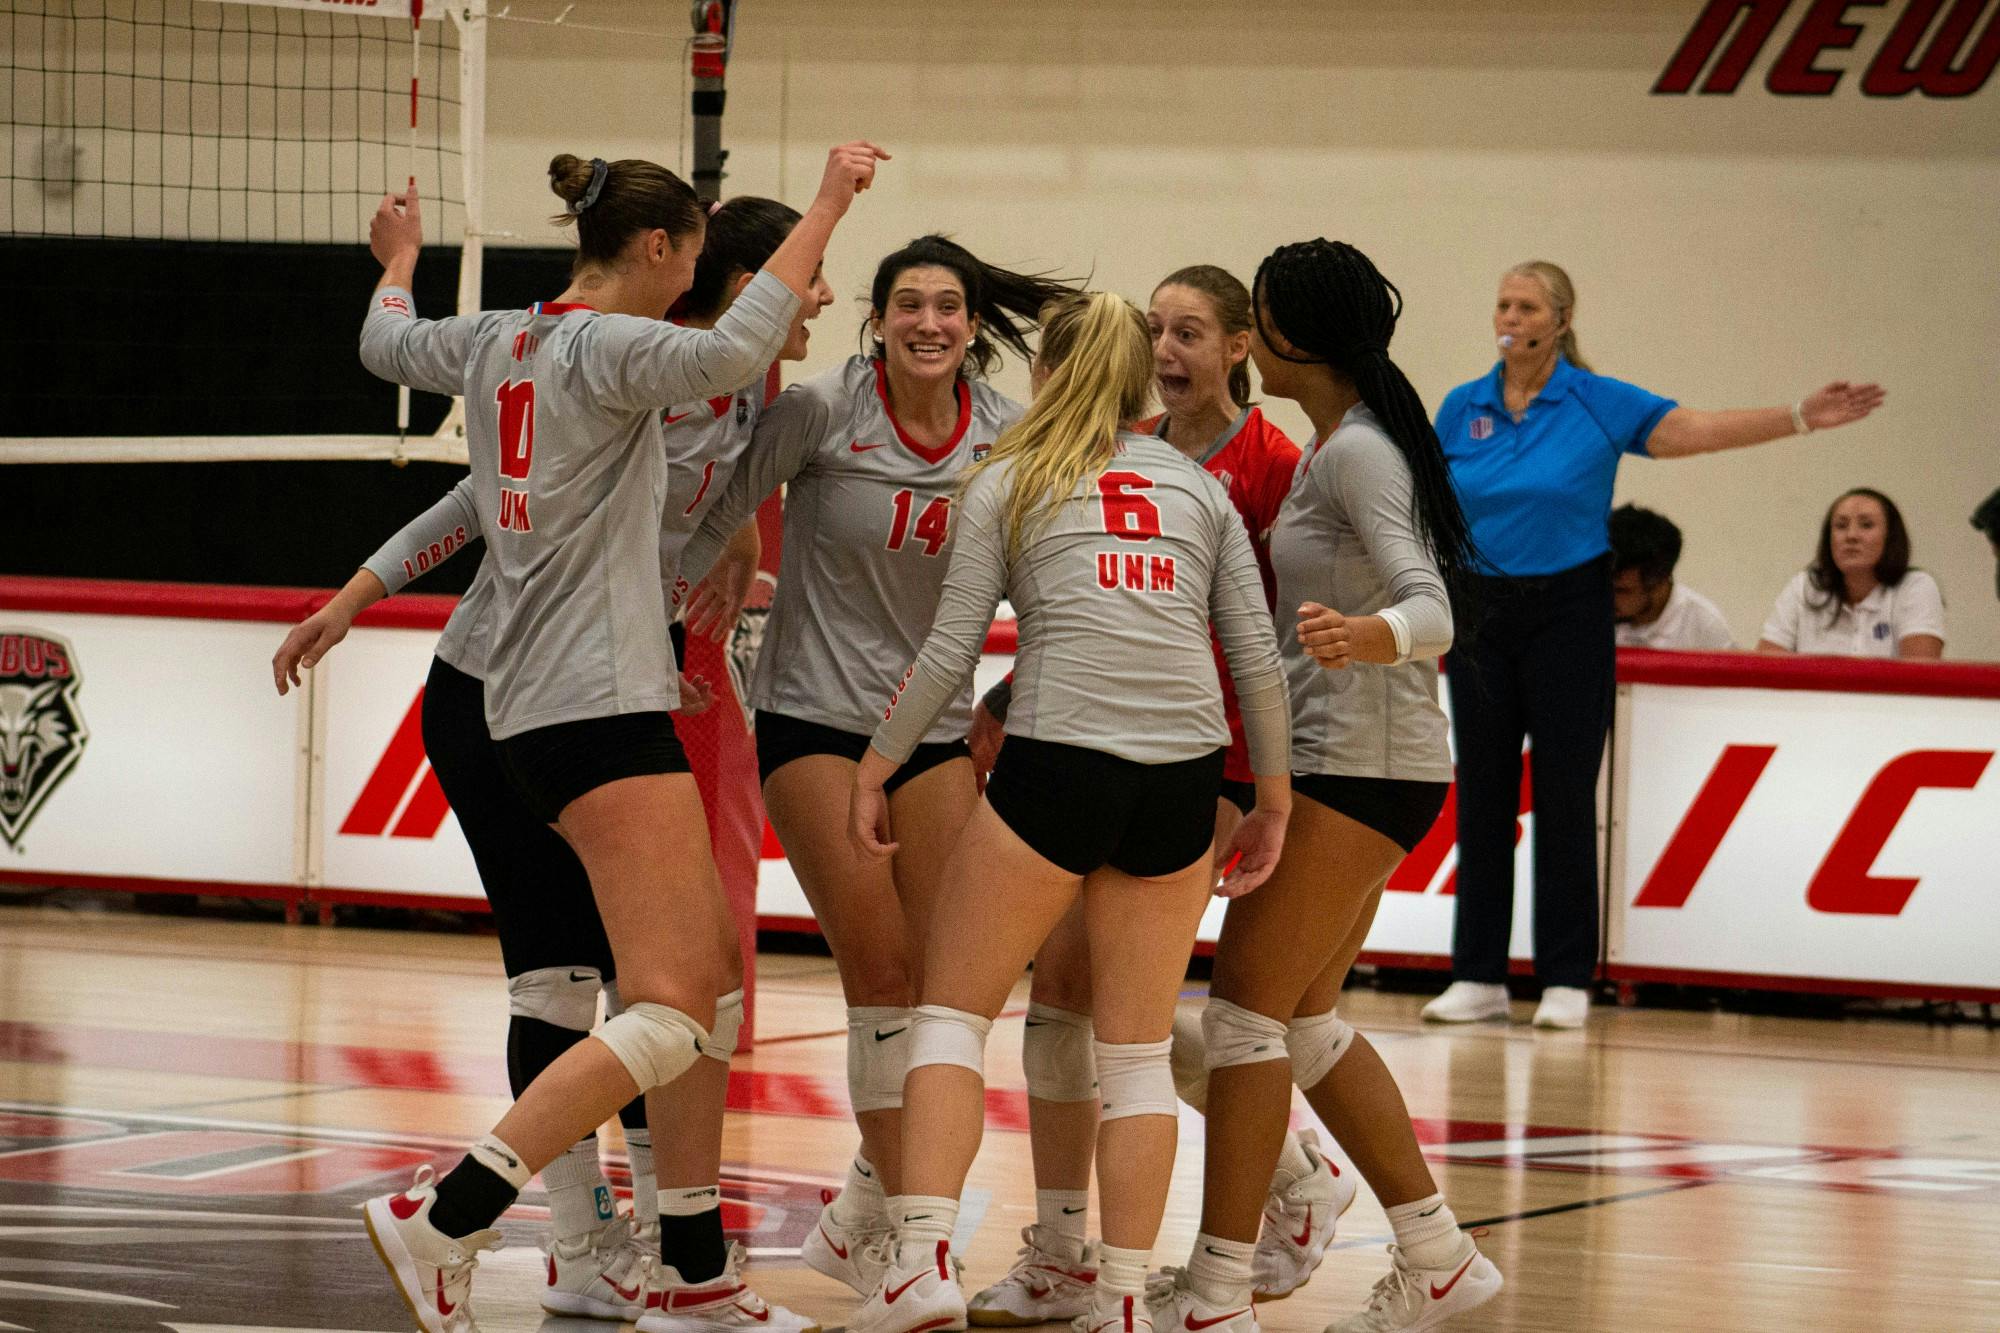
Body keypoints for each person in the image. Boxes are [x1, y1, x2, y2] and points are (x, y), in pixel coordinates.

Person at [337, 142, 883, 1333]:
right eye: (693, 250)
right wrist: (831, 201)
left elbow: (386, 343)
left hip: (554, 693)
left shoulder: (500, 338)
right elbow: (730, 347)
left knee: (678, 989)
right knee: (665, 1000)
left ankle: (651, 1257)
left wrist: (400, 266)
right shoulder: (619, 350)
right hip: (586, 694)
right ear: (664, 251)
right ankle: (454, 1216)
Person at [841, 289, 1291, 1333]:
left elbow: (952, 652)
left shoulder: (1007, 476)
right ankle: (1124, 1302)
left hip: (1059, 759)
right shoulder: (1199, 488)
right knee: (1131, 1056)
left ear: (1044, 374)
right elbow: (1255, 658)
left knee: (952, 1016)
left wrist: (875, 764)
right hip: (1182, 777)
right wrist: (1268, 797)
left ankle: (918, 1265)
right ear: (1143, 381)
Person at [673, 235, 1074, 1297]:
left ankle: (863, 1208)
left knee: (950, 991)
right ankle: (911, 1247)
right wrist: (724, 568)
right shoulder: (819, 411)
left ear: (973, 324)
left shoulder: (1006, 434)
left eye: (948, 306)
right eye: (909, 304)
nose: (929, 322)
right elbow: (715, 511)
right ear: (879, 319)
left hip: (931, 732)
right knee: (884, 978)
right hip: (813, 718)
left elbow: (1044, 576)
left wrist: (1004, 696)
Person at [964, 265, 1332, 1327]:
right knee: (1080, 1000)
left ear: (1235, 350)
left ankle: (1115, 1243)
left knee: (1104, 1000)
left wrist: (1276, 774)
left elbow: (1279, 639)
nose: (1167, 350)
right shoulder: (1119, 448)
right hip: (1100, 740)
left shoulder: (1269, 466)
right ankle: (1076, 1250)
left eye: (1190, 332)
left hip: (1204, 755)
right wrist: (1010, 686)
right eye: (1155, 331)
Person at [1152, 239, 1500, 1333]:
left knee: (1242, 1017)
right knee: (1298, 1021)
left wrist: (1369, 633)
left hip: (1360, 764)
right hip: (1360, 765)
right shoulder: (1346, 444)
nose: (1249, 334)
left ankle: (1216, 1288)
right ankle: (1440, 1258)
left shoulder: (1354, 454)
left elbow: (1435, 606)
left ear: (1291, 339)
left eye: (1255, 317)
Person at [1424, 260, 1884, 1030]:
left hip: (1569, 608)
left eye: (1526, 304)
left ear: (1560, 320)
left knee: (1566, 795)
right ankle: (1478, 973)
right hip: (1479, 609)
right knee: (1484, 794)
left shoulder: (1596, 401)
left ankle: (1567, 976)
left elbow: (1694, 431)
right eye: (1502, 301)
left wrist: (1799, 416)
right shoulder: (1460, 405)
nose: (1509, 314)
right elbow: (1427, 496)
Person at [1757, 488, 1944, 659]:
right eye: (1841, 525)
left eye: (1866, 525)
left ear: (1890, 537)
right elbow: (1765, 671)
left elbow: (1919, 677)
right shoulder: (1805, 586)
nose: (1851, 535)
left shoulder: (1915, 586)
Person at [1609, 504, 1734, 650]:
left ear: (1658, 581)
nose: (1605, 597)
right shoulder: (1589, 611)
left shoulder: (1704, 626)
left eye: (1620, 590)